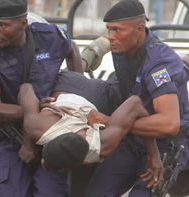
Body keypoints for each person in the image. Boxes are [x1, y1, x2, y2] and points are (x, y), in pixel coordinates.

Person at [0, 0, 110, 196]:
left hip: (55, 135)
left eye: (2, 25)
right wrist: (36, 111)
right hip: (10, 139)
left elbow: (71, 48)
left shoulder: (49, 36)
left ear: (23, 23)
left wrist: (74, 96)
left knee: (51, 192)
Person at [81, 1, 189, 196]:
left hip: (166, 143)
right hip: (133, 139)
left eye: (117, 30)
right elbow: (137, 103)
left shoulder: (159, 63)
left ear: (139, 29)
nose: (110, 37)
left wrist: (111, 122)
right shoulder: (123, 50)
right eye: (109, 30)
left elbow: (169, 124)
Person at [17, 75, 163, 186]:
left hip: (97, 95)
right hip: (68, 83)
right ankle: (95, 52)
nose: (42, 162)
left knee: (126, 81)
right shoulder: (36, 127)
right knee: (116, 84)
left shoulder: (103, 145)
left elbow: (135, 103)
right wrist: (40, 103)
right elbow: (25, 87)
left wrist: (154, 155)